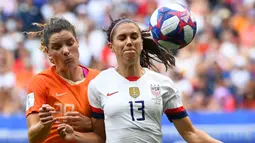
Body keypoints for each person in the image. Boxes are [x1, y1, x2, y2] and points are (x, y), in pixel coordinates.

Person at [58, 17, 222, 143]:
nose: (129, 42)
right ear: (111, 46)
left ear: (141, 43)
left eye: (134, 37)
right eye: (122, 38)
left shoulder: (162, 84)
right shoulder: (99, 84)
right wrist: (76, 136)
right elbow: (101, 138)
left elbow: (190, 133)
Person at [25, 18, 103, 143]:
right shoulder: (39, 82)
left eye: (70, 43)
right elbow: (33, 138)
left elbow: (108, 134)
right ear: (48, 53)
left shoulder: (99, 79)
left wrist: (90, 124)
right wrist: (44, 124)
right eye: (57, 47)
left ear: (77, 42)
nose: (66, 51)